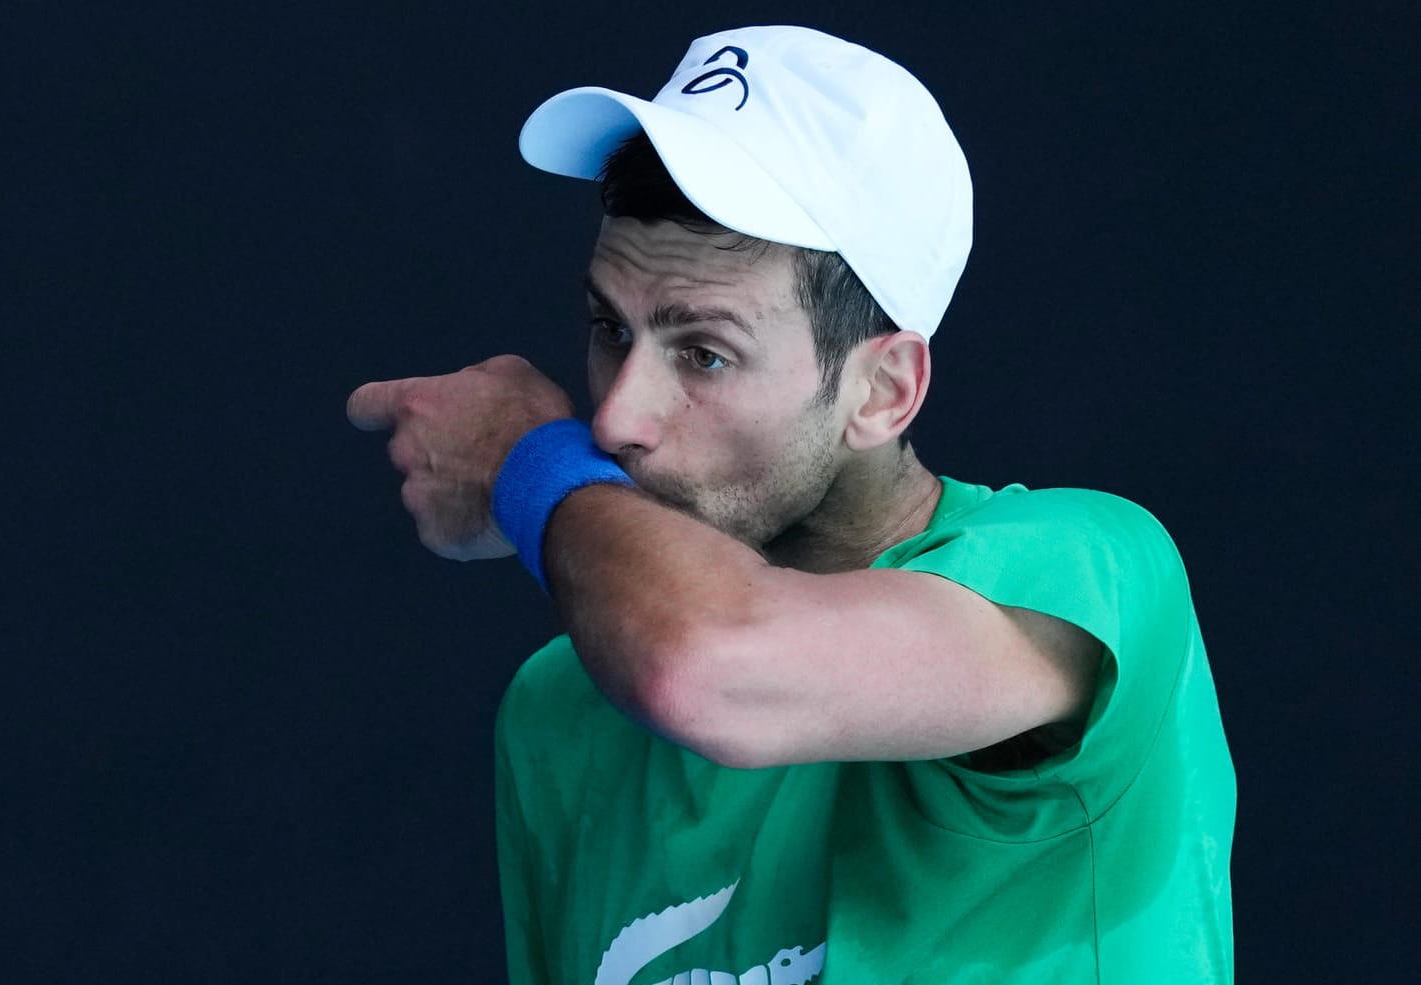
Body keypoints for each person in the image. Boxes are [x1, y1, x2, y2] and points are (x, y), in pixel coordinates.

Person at [347, 24, 1233, 985]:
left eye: (704, 353)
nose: (613, 419)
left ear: (884, 391)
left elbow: (709, 665)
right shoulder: (560, 707)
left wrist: (526, 464)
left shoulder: (1084, 571)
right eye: (611, 327)